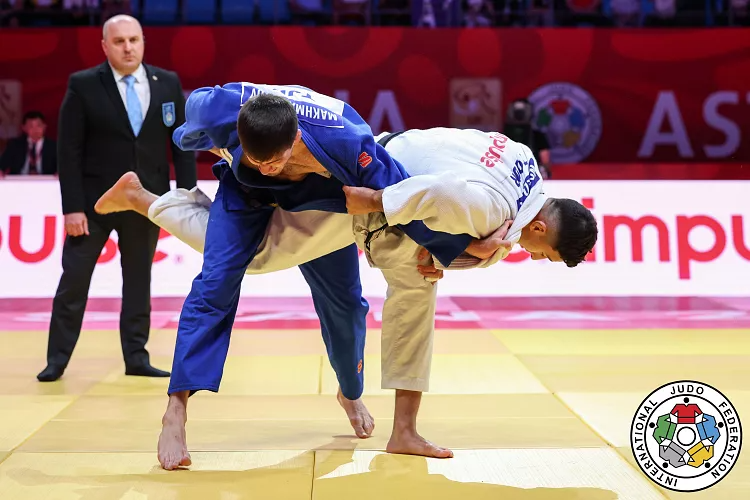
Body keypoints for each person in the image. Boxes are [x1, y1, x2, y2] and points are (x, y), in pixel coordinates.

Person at [95, 124, 597, 467]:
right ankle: (151, 200)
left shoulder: (524, 162)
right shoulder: (489, 209)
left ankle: (404, 431)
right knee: (256, 255)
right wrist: (388, 205)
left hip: (382, 156)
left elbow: (447, 154)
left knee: (414, 293)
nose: (534, 257)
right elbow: (450, 196)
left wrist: (443, 250)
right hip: (363, 192)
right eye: (542, 252)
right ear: (539, 225)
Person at [37, 15, 197, 383]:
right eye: (120, 41)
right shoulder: (83, 85)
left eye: (134, 40)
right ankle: (56, 360)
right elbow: (69, 151)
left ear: (143, 41)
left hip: (145, 201)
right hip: (93, 205)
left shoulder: (167, 82)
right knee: (75, 279)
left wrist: (185, 196)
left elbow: (183, 145)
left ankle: (136, 357)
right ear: (105, 46)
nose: (128, 47)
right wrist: (72, 207)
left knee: (139, 280)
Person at [0, 111, 57, 176]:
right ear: (24, 128)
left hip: (46, 182)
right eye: (31, 126)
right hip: (20, 181)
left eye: (39, 125)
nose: (35, 130)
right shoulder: (15, 145)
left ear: (44, 127)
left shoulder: (54, 146)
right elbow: (3, 163)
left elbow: (61, 166)